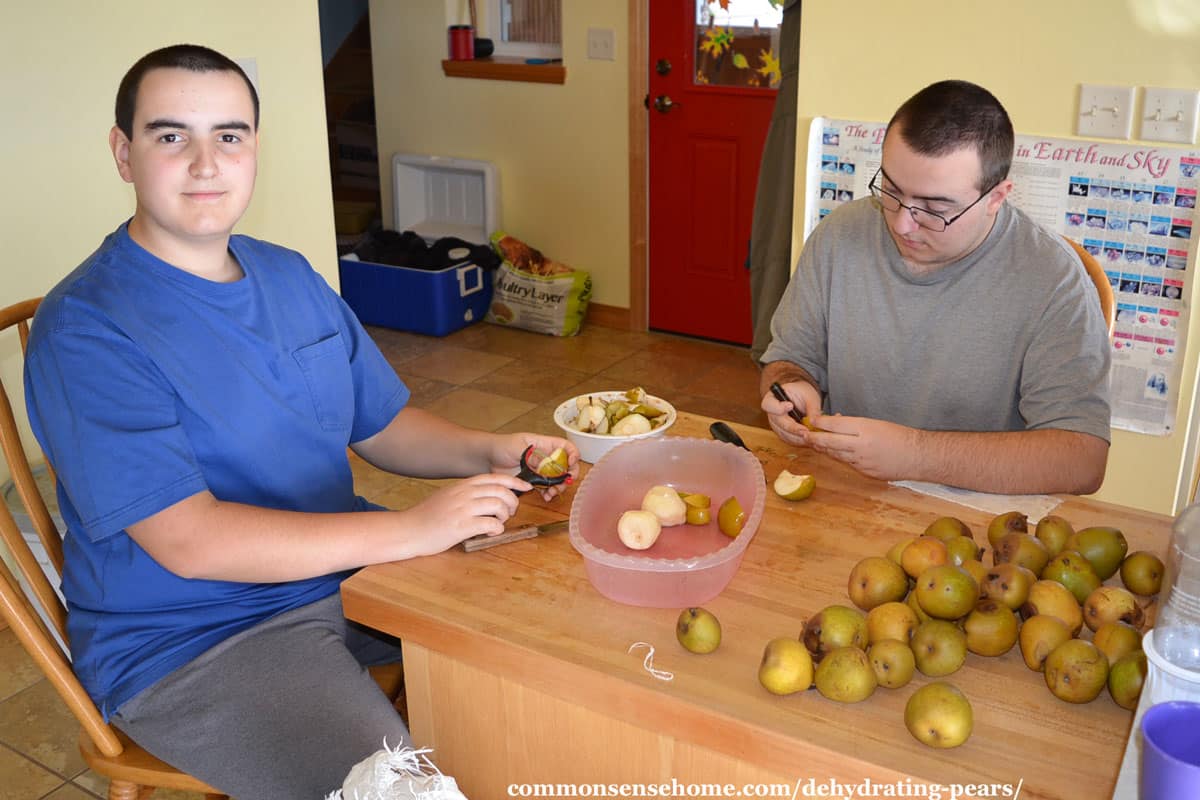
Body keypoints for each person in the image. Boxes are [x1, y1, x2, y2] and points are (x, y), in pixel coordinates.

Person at [23, 44, 578, 799]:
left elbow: (381, 425)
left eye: (229, 135)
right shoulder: (87, 329)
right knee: (403, 791)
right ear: (124, 153)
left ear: (254, 149)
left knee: (551, 646)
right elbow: (190, 540)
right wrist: (414, 531)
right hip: (199, 640)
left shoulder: (287, 273)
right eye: (169, 135)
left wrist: (490, 449)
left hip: (345, 572)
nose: (205, 163)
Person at [759, 80, 1110, 496]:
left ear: (997, 197)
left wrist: (916, 454)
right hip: (845, 495)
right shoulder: (839, 236)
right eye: (891, 190)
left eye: (935, 209)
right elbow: (787, 361)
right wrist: (790, 387)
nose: (902, 223)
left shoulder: (1054, 281)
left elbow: (1082, 460)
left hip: (979, 520)